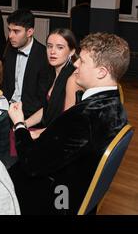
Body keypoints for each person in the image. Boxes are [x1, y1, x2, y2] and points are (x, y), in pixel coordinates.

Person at [8, 32, 130, 215]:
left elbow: (31, 164)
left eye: (82, 61)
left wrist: (19, 125)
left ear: (102, 71)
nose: (75, 64)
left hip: (56, 200)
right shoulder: (116, 106)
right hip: (77, 188)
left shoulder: (83, 118)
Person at [22, 28, 82, 136]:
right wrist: (24, 124)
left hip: (58, 136)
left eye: (60, 47)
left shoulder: (72, 79)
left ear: (72, 51)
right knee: (11, 134)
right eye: (49, 46)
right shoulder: (52, 73)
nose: (52, 51)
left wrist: (36, 133)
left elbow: (66, 123)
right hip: (48, 129)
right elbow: (47, 109)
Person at [1, 9, 52, 119]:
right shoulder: (10, 48)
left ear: (29, 32)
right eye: (9, 30)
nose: (10, 36)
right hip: (7, 107)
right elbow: (6, 83)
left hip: (29, 114)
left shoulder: (43, 56)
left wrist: (19, 115)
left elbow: (42, 97)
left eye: (16, 31)